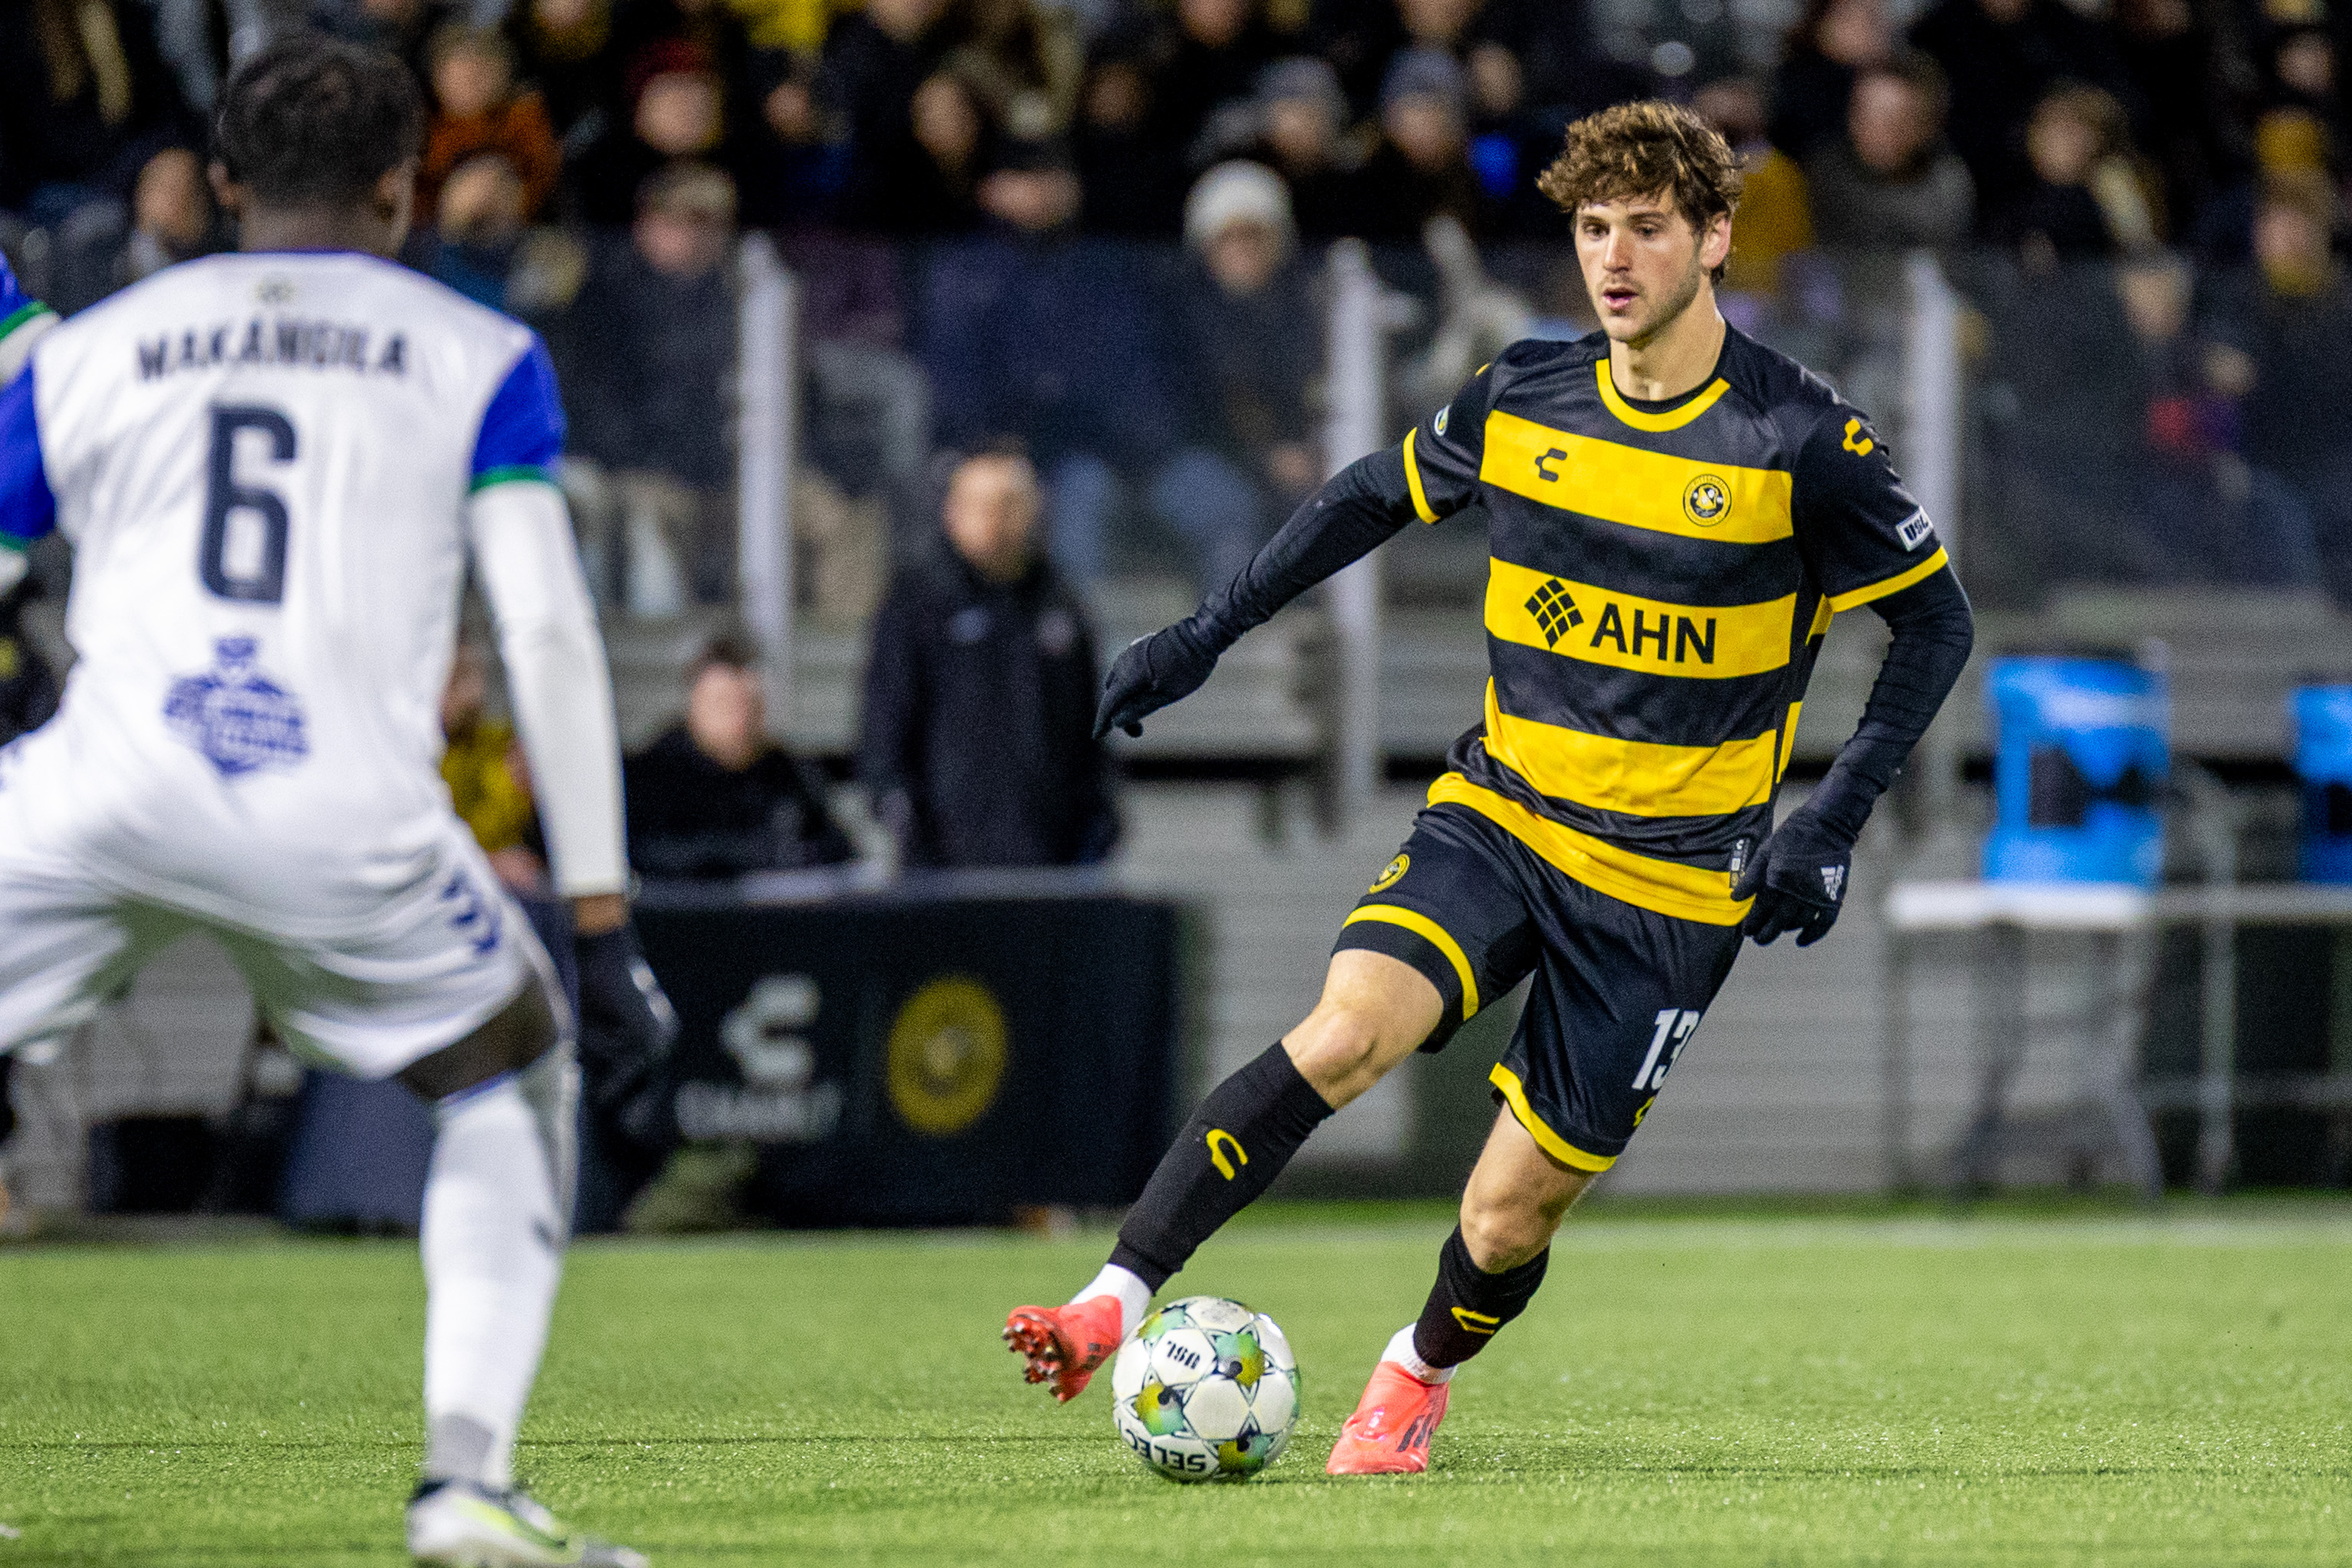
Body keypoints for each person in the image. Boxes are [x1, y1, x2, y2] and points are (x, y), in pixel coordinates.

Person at [1002, 100, 1974, 1476]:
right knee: (1344, 1032)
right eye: (1592, 228)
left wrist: (1830, 820)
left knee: (1509, 1214)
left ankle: (1415, 1372)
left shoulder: (1798, 440)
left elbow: (1935, 624)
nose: (1613, 258)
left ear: (1714, 239)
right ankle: (1110, 1301)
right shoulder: (1525, 395)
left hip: (1669, 884)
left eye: (1647, 228)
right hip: (1502, 815)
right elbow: (1366, 496)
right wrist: (1203, 636)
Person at [0, 39, 658, 1564]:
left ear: (223, 184)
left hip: (100, 787)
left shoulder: (91, 349)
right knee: (511, 1077)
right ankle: (465, 1487)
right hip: (342, 818)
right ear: (403, 190)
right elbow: (547, 631)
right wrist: (602, 919)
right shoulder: (479, 353)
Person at [860, 449, 1118, 869]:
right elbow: (884, 729)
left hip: (1049, 860)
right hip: (946, 866)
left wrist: (1099, 820)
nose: (994, 519)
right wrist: (902, 819)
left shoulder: (1060, 605)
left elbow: (1090, 727)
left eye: (1008, 505)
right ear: (952, 513)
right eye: (980, 505)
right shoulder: (917, 605)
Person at [624, 636, 856, 879]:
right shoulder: (655, 777)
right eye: (723, 703)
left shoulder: (790, 776)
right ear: (694, 704)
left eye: (749, 704)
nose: (739, 718)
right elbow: (646, 855)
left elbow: (836, 853)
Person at [1804, 53, 1974, 251]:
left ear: (1928, 126)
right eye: (1862, 114)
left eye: (1892, 120)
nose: (1872, 130)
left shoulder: (1947, 185)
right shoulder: (1821, 175)